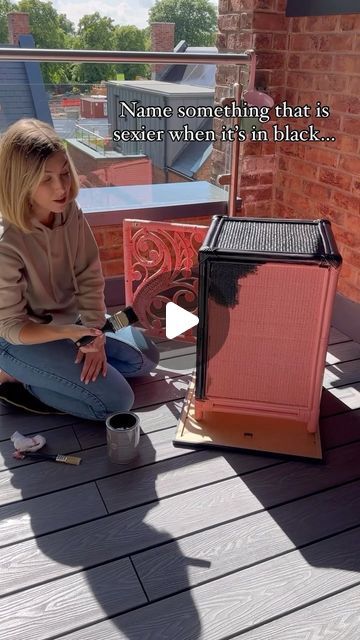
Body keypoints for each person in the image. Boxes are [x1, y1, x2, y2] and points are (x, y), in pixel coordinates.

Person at [0, 118, 159, 420]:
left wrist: (94, 333)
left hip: (70, 324)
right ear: (20, 180)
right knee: (117, 402)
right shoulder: (7, 241)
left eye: (63, 173)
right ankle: (17, 379)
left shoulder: (68, 211)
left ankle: (59, 371)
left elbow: (88, 273)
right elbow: (9, 326)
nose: (61, 188)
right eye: (46, 179)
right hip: (18, 339)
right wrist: (74, 334)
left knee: (146, 359)